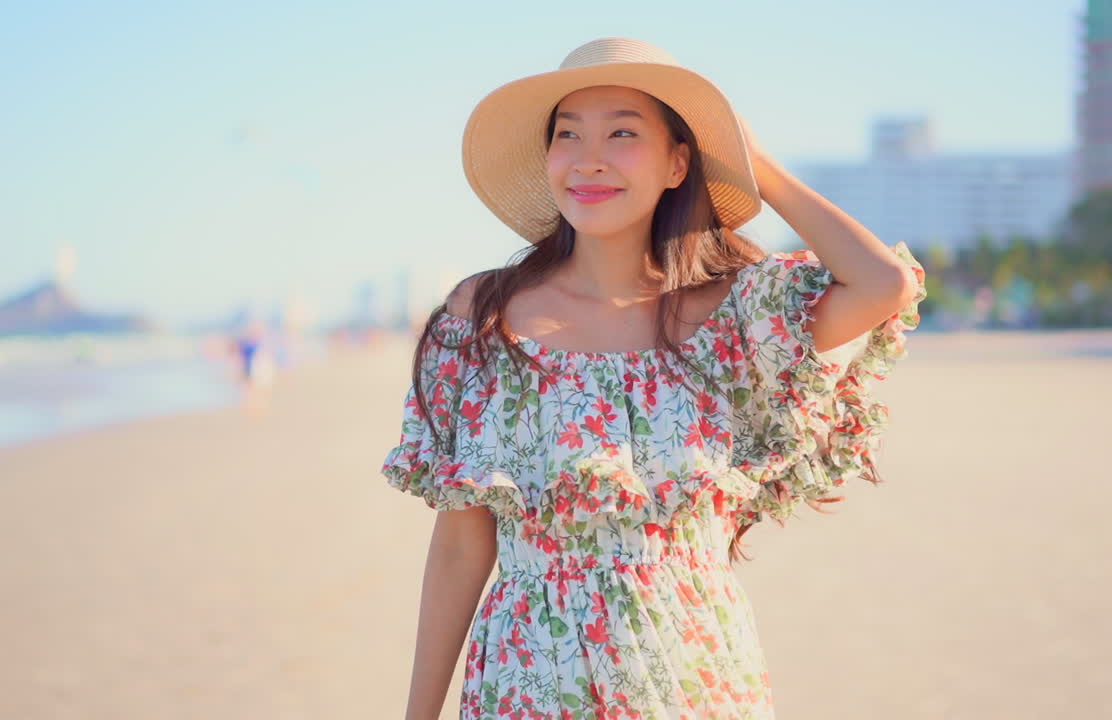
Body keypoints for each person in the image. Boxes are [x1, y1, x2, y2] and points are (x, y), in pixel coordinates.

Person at [380, 37, 927, 720]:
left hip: (695, 677)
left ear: (678, 164)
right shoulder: (483, 317)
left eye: (623, 133)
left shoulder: (730, 319)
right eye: (568, 134)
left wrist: (757, 166)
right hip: (526, 684)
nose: (589, 158)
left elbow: (883, 284)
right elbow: (462, 545)